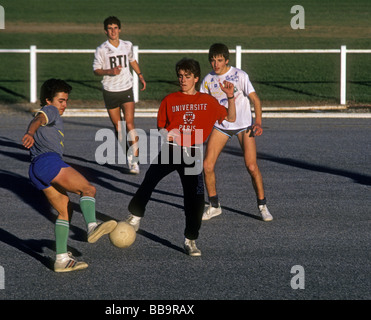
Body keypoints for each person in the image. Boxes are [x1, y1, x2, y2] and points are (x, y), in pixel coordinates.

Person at [126, 58, 236, 256]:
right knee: (149, 180)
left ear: (195, 78)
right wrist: (165, 134)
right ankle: (135, 215)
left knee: (195, 198)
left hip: (192, 153)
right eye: (180, 76)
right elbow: (161, 126)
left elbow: (231, 117)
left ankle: (190, 239)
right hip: (171, 149)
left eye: (187, 76)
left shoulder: (207, 101)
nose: (182, 79)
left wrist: (231, 97)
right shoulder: (170, 100)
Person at [22, 78, 117, 273]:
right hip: (49, 162)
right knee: (88, 189)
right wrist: (30, 132)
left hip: (35, 169)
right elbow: (38, 119)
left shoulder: (50, 112)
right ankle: (92, 226)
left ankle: (61, 259)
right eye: (61, 100)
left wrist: (32, 133)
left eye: (66, 100)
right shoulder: (50, 111)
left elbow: (37, 122)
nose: (64, 105)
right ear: (48, 100)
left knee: (65, 211)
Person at [200, 43, 273, 222]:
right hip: (221, 127)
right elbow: (203, 105)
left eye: (219, 60)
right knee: (207, 166)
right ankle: (214, 205)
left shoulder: (239, 75)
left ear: (226, 60)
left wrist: (258, 122)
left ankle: (262, 205)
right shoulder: (208, 80)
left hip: (243, 126)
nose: (215, 64)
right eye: (212, 61)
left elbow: (255, 100)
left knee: (251, 166)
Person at [93, 16, 146, 174]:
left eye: (115, 28)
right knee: (119, 127)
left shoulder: (127, 45)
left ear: (120, 29)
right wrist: (110, 71)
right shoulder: (101, 49)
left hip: (126, 88)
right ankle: (129, 155)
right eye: (110, 28)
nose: (113, 31)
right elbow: (96, 70)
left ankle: (135, 161)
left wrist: (140, 75)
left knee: (129, 124)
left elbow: (132, 60)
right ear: (105, 31)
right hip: (110, 91)